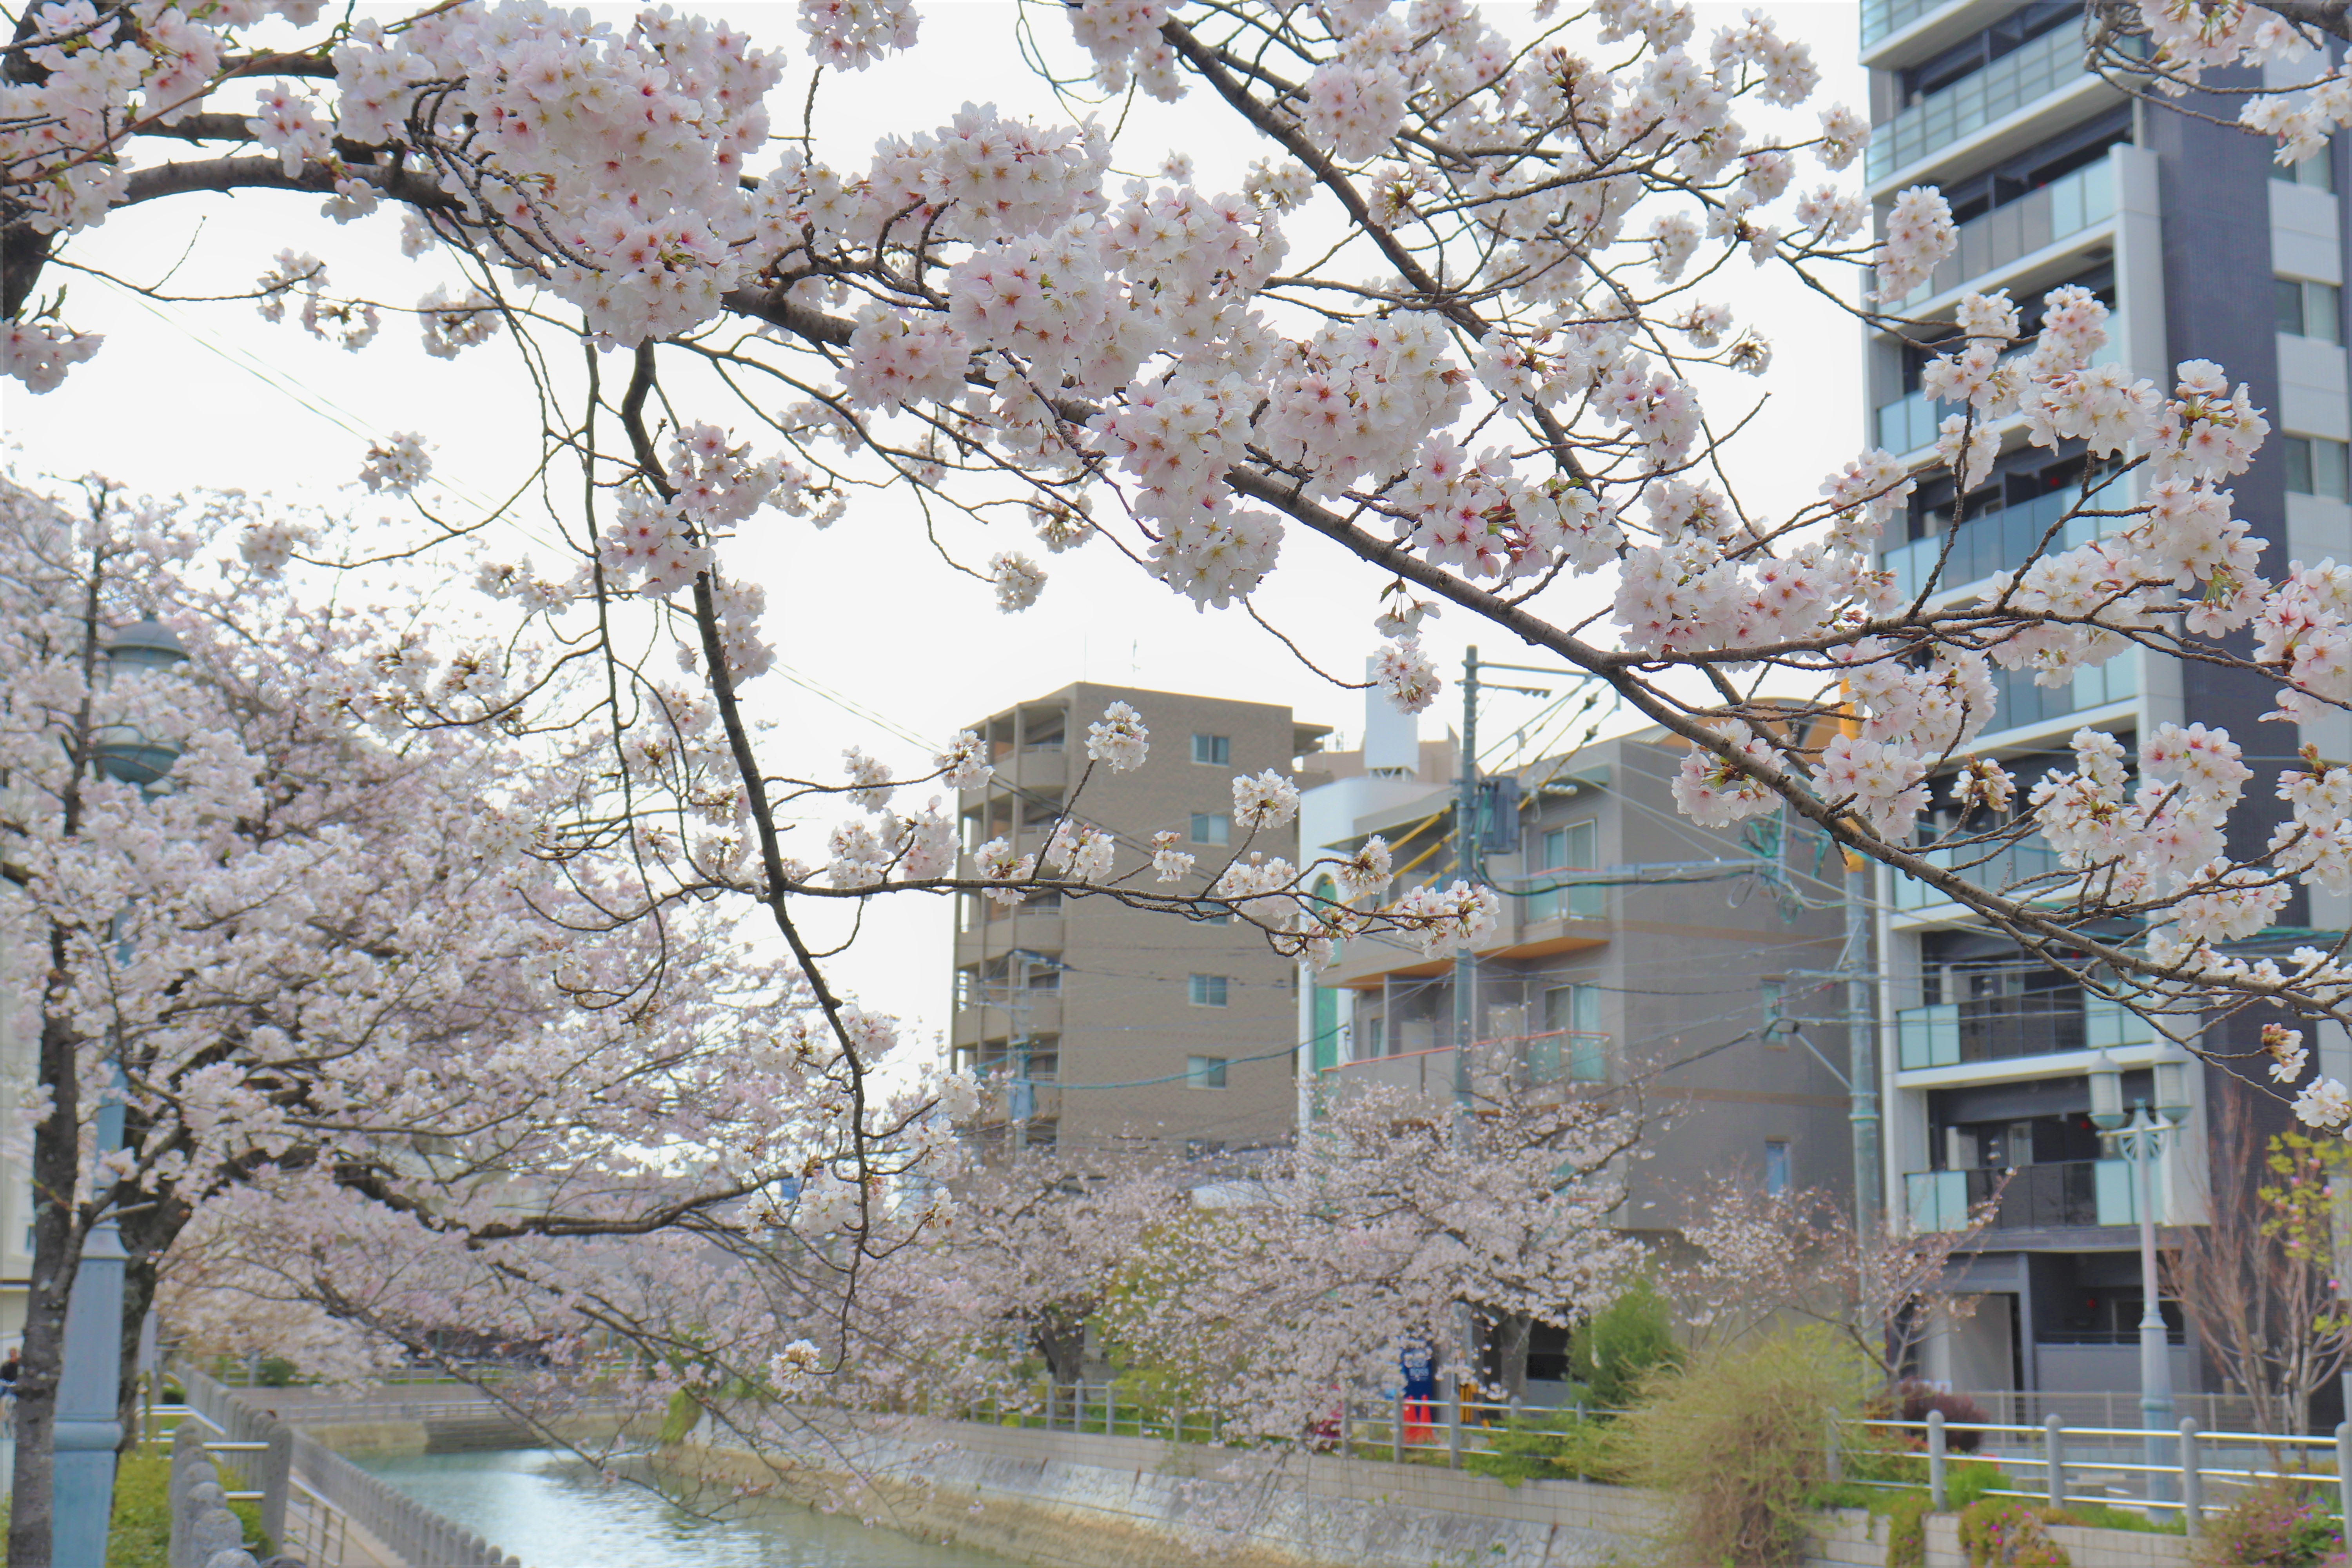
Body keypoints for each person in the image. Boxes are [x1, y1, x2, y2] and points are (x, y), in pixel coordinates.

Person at [1, 1347, 20, 1435]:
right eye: (11, 1355)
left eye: (14, 1354)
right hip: (7, 1386)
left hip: (18, 1386)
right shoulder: (6, 1365)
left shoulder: (20, 1365)